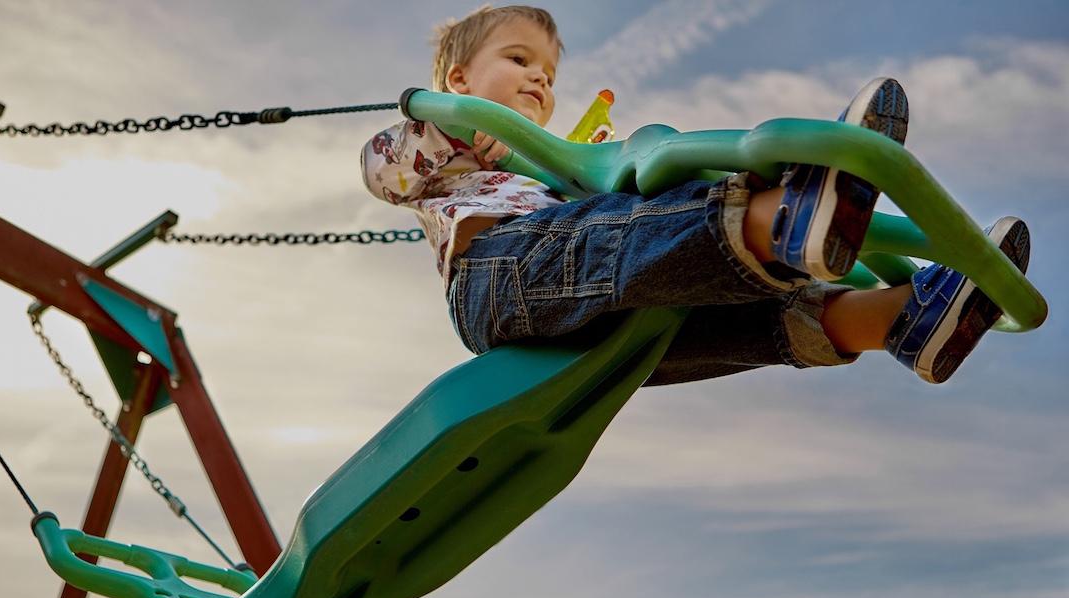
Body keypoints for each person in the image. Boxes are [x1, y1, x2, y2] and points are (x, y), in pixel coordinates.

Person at [360, 5, 1031, 385]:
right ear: (456, 78)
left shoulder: (548, 165)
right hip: (497, 286)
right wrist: (447, 118)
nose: (537, 79)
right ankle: (780, 219)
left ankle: (897, 317)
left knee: (701, 319)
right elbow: (381, 168)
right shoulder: (435, 148)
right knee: (629, 228)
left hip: (580, 324)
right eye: (518, 60)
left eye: (547, 72)